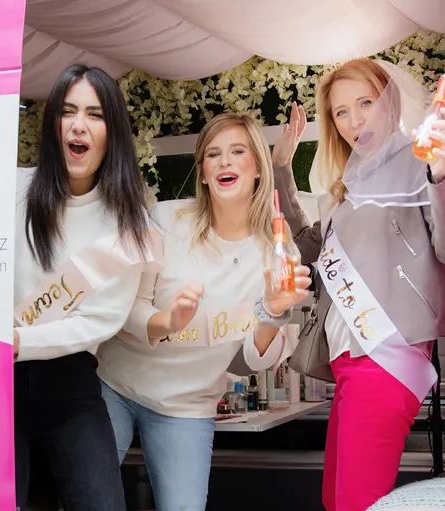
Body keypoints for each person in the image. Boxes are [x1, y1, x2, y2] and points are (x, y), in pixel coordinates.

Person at [271, 58, 445, 511]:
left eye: (365, 103)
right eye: (340, 112)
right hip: (349, 360)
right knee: (337, 500)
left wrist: (444, 176)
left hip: (387, 356)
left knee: (356, 503)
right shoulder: (349, 185)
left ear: (390, 101)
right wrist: (280, 171)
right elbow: (307, 248)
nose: (354, 120)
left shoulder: (420, 160)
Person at [95, 112, 312, 511]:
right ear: (204, 171)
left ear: (259, 169)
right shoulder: (164, 219)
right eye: (213, 154)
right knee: (85, 498)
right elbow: (126, 308)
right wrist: (168, 321)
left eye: (237, 152)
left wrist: (272, 312)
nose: (225, 162)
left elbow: (253, 356)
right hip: (117, 386)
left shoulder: (278, 253)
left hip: (186, 407)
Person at [12, 62, 159, 511]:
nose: (79, 125)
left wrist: (19, 339)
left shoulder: (130, 226)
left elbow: (97, 322)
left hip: (70, 385)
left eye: (95, 115)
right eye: (68, 111)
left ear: (112, 132)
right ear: (53, 122)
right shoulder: (11, 189)